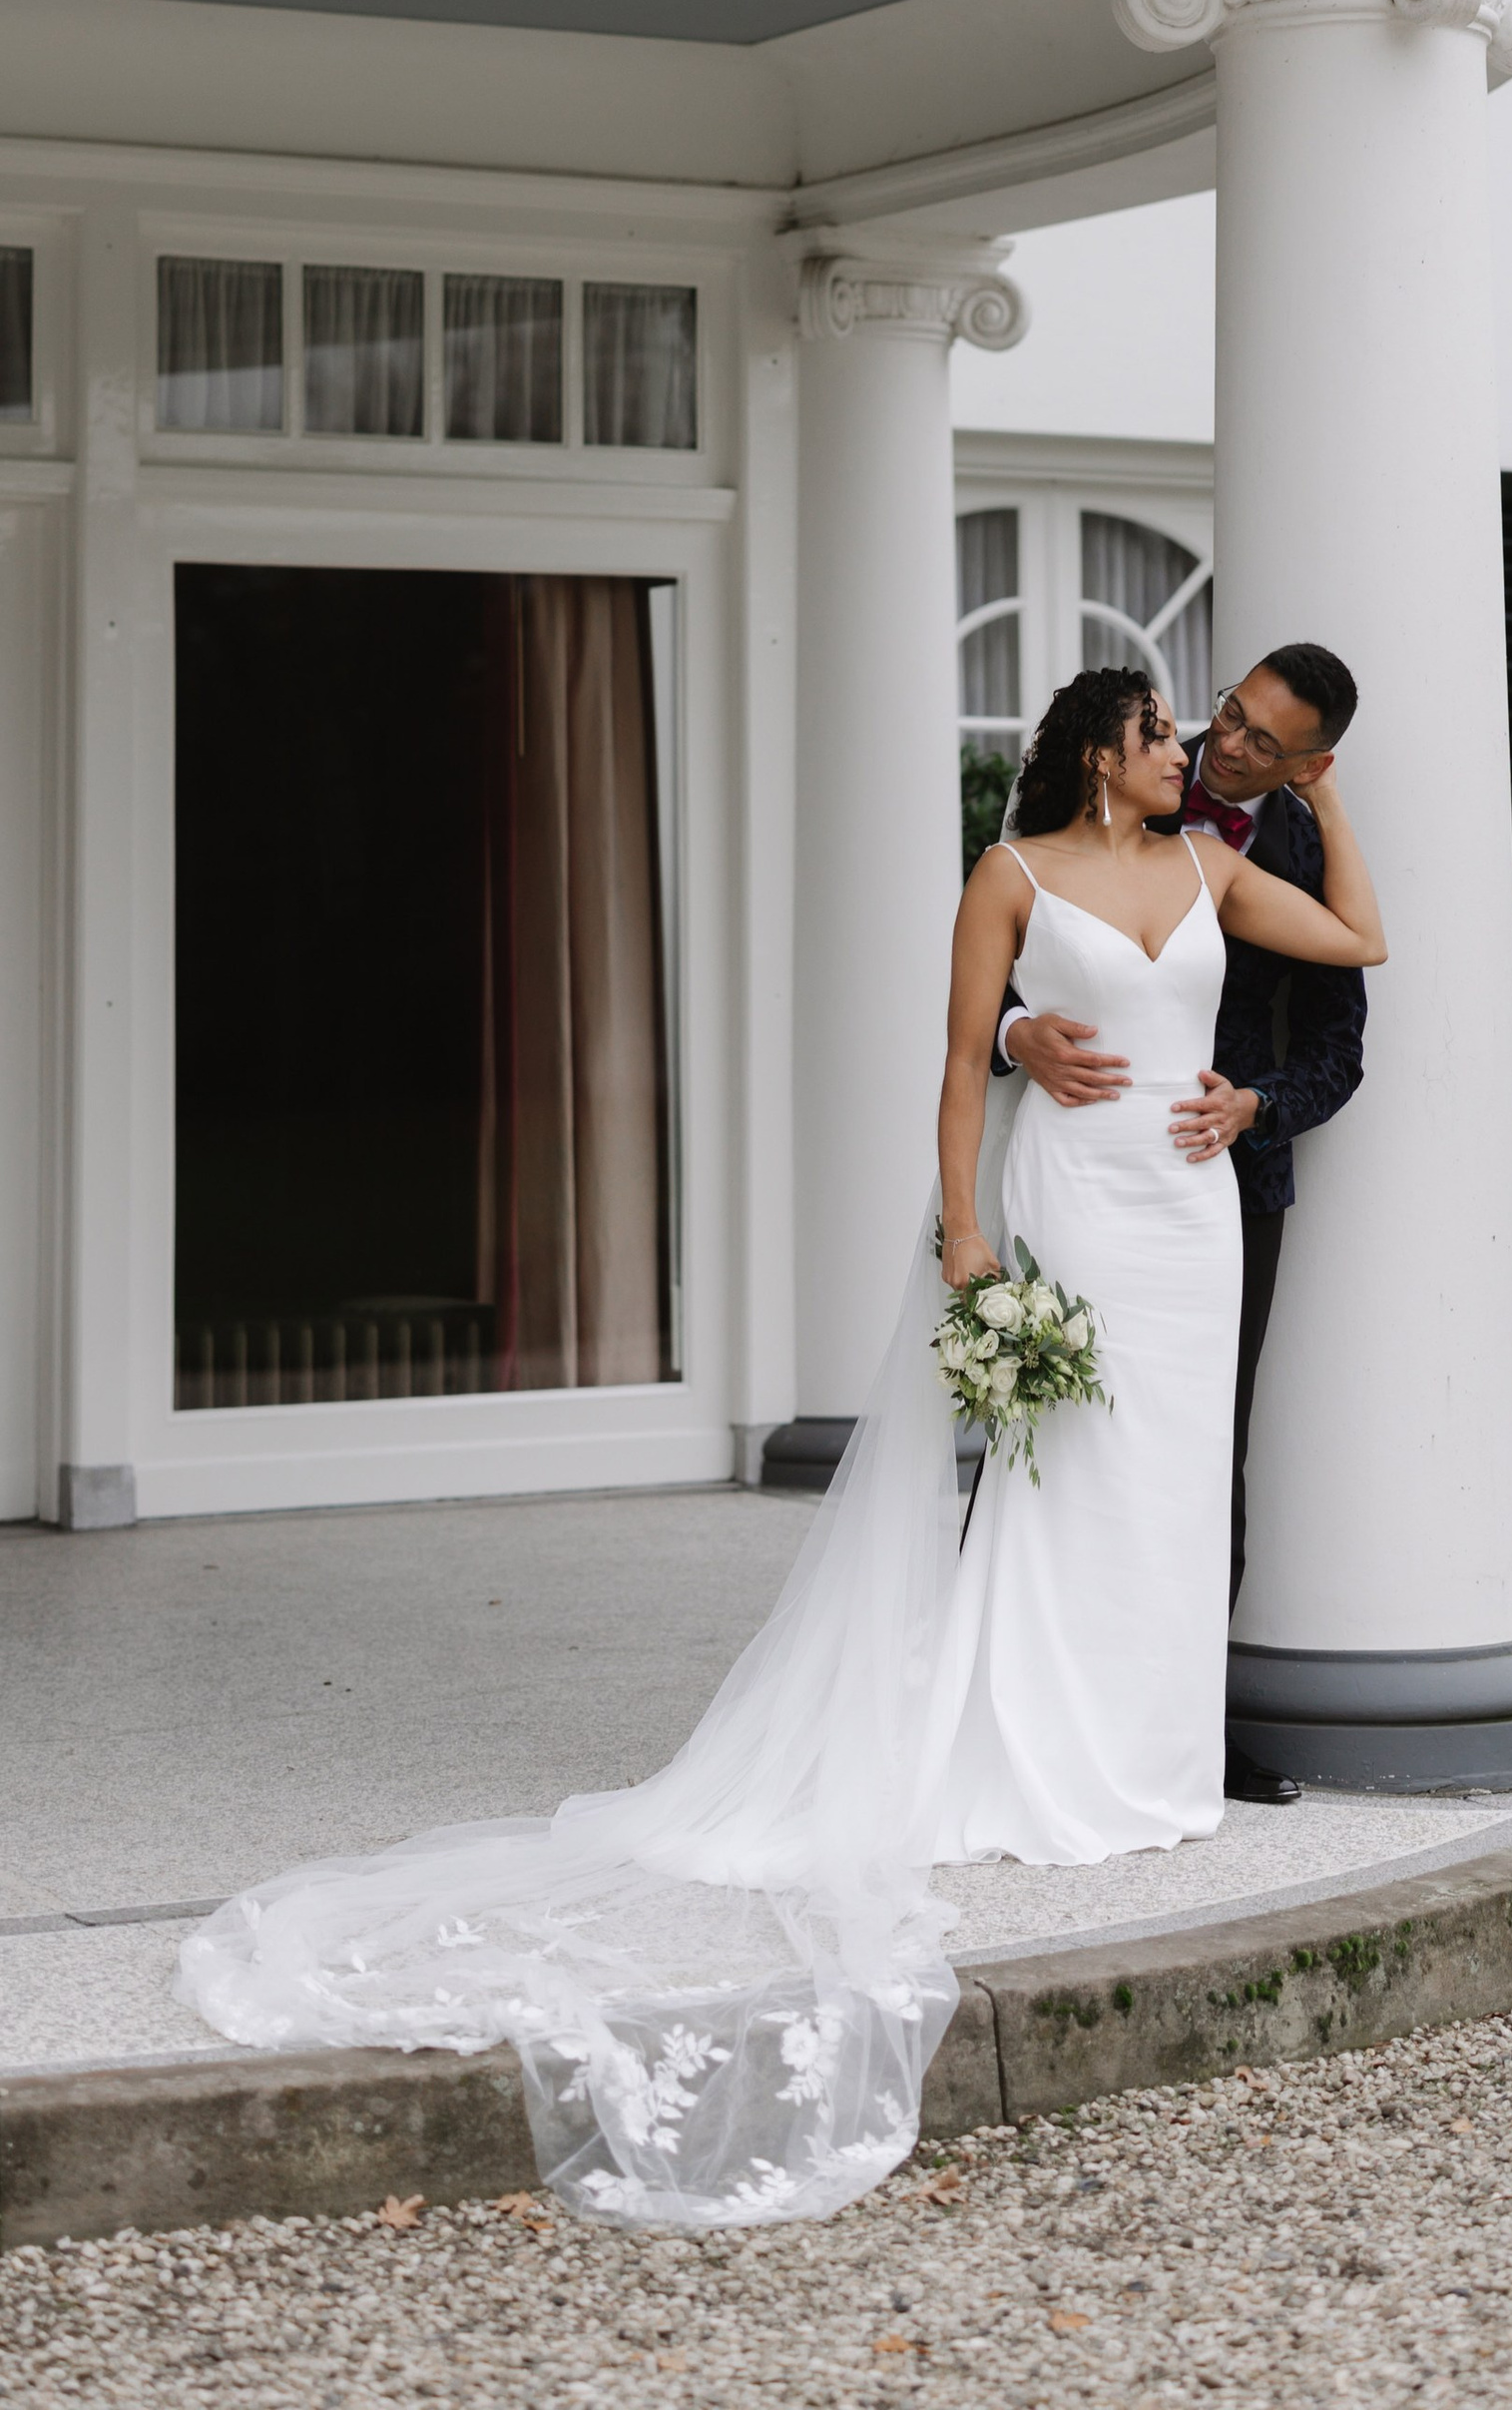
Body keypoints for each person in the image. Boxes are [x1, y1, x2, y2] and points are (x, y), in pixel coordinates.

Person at [179, 667, 1384, 2232]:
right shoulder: (1007, 877)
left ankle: (1154, 1762)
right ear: (1107, 754)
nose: (1188, 755)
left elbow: (1356, 945)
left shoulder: (1222, 864)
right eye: (1167, 734)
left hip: (1192, 1217)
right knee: (1065, 1474)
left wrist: (1327, 806)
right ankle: (1036, 1747)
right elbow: (961, 1063)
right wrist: (965, 1228)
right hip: (1077, 1201)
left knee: (1165, 1481)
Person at [999, 646, 1367, 1806]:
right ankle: (1012, 1698)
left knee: (1204, 1459)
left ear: (1306, 762)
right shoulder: (1110, 761)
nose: (1223, 744)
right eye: (1225, 714)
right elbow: (1000, 950)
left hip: (1219, 1187)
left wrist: (1259, 1106)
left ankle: (1184, 1725)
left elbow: (1339, 1041)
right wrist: (1019, 1034)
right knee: (1046, 1435)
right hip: (1078, 1171)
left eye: (1263, 740)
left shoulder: (1293, 846)